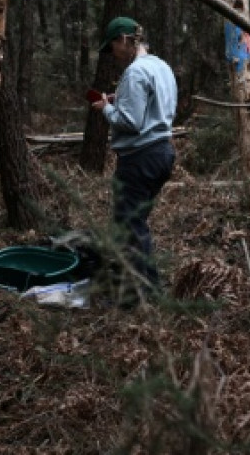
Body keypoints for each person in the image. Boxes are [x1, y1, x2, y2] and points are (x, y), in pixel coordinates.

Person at [90, 16, 177, 300]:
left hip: (140, 158)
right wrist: (121, 98)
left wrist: (105, 108)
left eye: (113, 46)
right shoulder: (160, 66)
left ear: (125, 40)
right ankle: (125, 285)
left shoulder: (135, 72)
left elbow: (131, 122)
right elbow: (153, 106)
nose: (113, 54)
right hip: (162, 152)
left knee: (131, 224)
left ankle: (148, 296)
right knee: (131, 222)